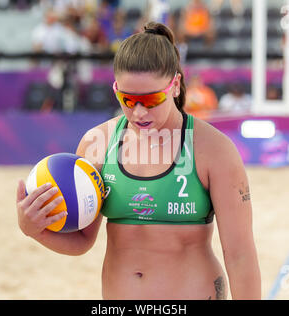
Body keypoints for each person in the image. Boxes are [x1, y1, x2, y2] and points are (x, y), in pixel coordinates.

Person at [16, 22, 261, 300]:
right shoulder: (98, 144)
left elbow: (240, 254)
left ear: (176, 86)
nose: (139, 111)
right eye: (128, 99)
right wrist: (33, 230)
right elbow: (82, 241)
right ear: (116, 89)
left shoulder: (213, 149)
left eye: (151, 99)